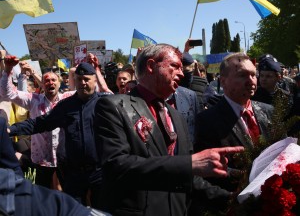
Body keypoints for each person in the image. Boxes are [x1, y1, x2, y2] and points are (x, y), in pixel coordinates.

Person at [93, 43, 244, 216]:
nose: (181, 73)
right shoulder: (114, 106)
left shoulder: (177, 116)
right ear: (151, 66)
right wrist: (189, 163)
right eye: (175, 66)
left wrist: (234, 200)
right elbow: (117, 167)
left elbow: (185, 176)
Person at [9, 62, 112, 208]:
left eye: (87, 79)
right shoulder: (65, 106)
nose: (83, 83)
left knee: (101, 209)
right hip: (74, 174)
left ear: (95, 80)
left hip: (99, 172)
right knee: (74, 210)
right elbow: (40, 123)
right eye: (79, 79)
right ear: (74, 81)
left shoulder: (106, 103)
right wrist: (10, 130)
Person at [193, 53, 273, 213]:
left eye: (253, 74)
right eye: (242, 75)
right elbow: (205, 173)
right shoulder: (205, 121)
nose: (251, 80)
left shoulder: (269, 111)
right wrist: (233, 200)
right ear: (223, 81)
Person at [0, 55, 75, 189]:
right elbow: (8, 94)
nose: (50, 82)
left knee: (68, 192)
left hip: (64, 158)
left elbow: (90, 91)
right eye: (47, 80)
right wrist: (8, 69)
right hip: (42, 160)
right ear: (42, 84)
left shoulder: (67, 99)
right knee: (44, 194)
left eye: (53, 80)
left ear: (59, 83)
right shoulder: (34, 100)